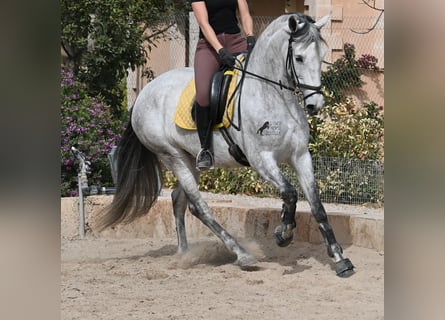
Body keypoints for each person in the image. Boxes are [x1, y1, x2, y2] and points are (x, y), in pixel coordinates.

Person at [191, 0, 255, 170]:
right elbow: (204, 24)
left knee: (257, 78)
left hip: (236, 42)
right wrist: (220, 50)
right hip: (209, 46)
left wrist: (250, 37)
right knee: (203, 95)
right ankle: (205, 150)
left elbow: (245, 15)